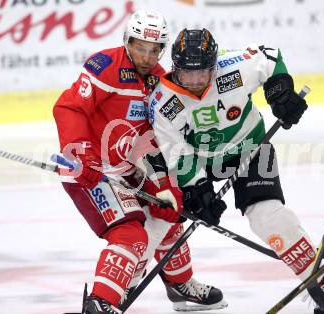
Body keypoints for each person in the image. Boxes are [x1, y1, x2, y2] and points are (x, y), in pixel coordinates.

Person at [147, 28, 324, 313]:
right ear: (174, 67)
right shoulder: (162, 101)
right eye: (185, 73)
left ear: (214, 64)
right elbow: (176, 149)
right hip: (202, 160)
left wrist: (280, 92)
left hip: (252, 148)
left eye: (202, 72)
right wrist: (198, 188)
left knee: (267, 217)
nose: (193, 81)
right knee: (164, 216)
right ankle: (135, 283)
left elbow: (270, 56)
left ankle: (317, 280)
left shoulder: (235, 66)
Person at [53, 10, 226, 314]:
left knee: (170, 209)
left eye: (153, 49)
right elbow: (69, 108)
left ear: (162, 49)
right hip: (89, 171)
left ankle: (180, 285)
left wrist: (165, 184)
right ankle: (102, 301)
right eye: (139, 47)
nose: (146, 56)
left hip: (132, 167)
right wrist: (79, 153)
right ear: (127, 41)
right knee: (131, 233)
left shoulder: (161, 80)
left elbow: (156, 135)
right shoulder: (105, 66)